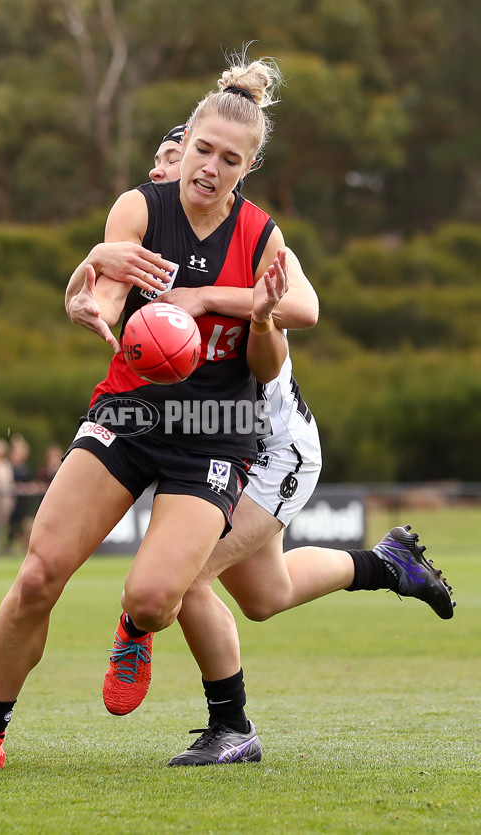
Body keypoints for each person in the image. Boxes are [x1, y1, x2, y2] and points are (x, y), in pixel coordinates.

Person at [0, 53, 289, 772]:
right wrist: (88, 299)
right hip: (128, 412)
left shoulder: (259, 237)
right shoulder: (140, 207)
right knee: (37, 573)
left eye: (228, 159)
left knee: (156, 598)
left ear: (246, 170)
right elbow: (111, 286)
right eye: (201, 150)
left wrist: (266, 320)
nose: (209, 167)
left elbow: (266, 366)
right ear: (183, 147)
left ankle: (135, 624)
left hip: (211, 433)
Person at [88, 123, 455, 764]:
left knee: (183, 580)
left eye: (172, 163)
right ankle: (387, 565)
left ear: (221, 173)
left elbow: (302, 307)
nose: (160, 177)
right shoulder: (154, 232)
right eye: (158, 165)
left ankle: (233, 728)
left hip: (272, 446)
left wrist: (206, 297)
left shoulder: (248, 238)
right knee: (264, 596)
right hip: (220, 439)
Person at [4, 434, 35, 555]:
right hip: (14, 501)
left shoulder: (22, 466)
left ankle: (13, 548)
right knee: (15, 526)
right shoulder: (10, 466)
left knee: (20, 526)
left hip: (22, 502)